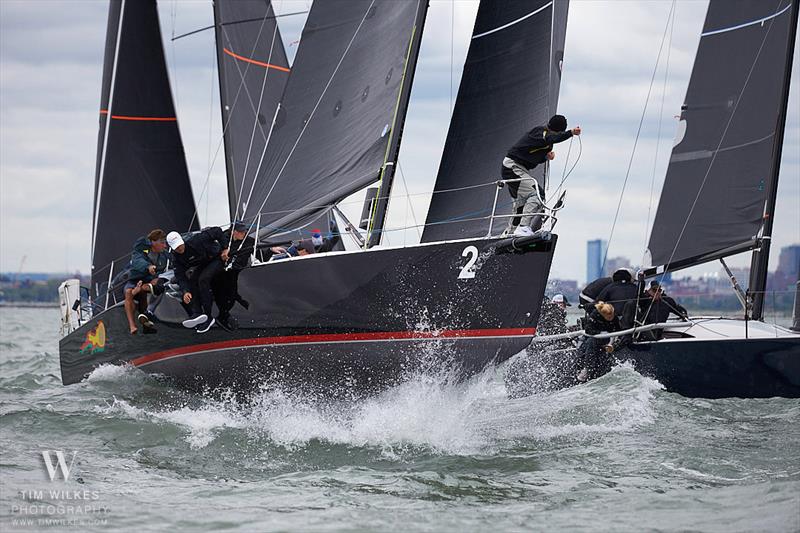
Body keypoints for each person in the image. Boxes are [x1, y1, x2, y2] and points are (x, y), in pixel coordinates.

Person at [502, 115, 581, 237]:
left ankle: (509, 233)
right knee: (537, 194)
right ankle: (523, 227)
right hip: (512, 167)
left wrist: (545, 157)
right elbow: (551, 137)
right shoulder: (541, 132)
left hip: (517, 168)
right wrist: (570, 133)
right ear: (559, 130)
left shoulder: (547, 143)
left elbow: (532, 156)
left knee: (520, 204)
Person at [168, 227, 229, 333]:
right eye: (176, 247)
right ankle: (197, 313)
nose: (179, 248)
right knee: (192, 282)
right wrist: (185, 292)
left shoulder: (197, 240)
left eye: (179, 245)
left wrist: (225, 248)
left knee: (203, 280)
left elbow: (217, 231)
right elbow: (180, 276)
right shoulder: (176, 258)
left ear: (182, 241)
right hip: (204, 263)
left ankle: (209, 317)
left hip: (217, 258)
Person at [123, 229, 169, 335]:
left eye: (165, 242)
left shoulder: (164, 255)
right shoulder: (141, 250)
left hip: (150, 281)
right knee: (128, 292)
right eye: (162, 243)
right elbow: (137, 261)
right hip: (134, 280)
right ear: (153, 242)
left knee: (158, 287)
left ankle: (147, 316)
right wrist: (148, 267)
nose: (165, 246)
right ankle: (132, 326)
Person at [212, 222, 255, 331]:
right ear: (233, 232)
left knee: (232, 296)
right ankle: (222, 317)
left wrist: (270, 250)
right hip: (221, 273)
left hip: (237, 273)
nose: (243, 233)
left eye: (244, 231)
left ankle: (224, 316)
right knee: (224, 295)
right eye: (241, 232)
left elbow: (258, 253)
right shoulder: (223, 239)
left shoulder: (249, 241)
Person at [576, 301, 619, 382]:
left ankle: (590, 369)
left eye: (612, 316)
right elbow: (588, 330)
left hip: (607, 339)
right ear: (603, 315)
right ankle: (585, 368)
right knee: (586, 347)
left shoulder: (614, 317)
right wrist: (600, 333)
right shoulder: (594, 315)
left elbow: (618, 329)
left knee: (591, 343)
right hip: (593, 337)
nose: (611, 318)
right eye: (609, 317)